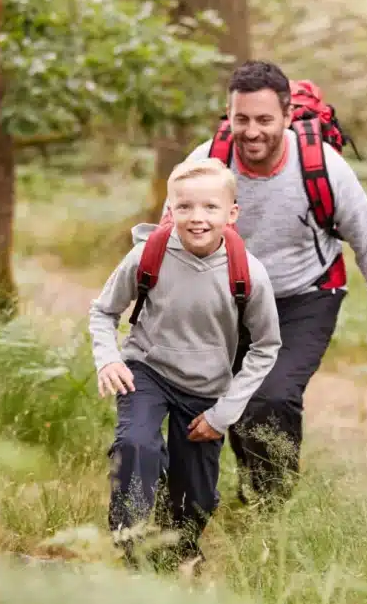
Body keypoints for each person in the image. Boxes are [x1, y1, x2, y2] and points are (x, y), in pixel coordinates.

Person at [178, 60, 367, 504]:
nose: (252, 131)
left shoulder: (326, 170)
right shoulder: (207, 164)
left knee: (273, 395)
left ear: (286, 117)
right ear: (229, 116)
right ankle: (252, 491)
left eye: (265, 119)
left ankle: (271, 509)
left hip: (306, 295)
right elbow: (167, 238)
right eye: (241, 119)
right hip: (232, 299)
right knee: (230, 395)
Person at [88, 157, 281, 569]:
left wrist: (224, 413)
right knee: (135, 445)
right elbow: (103, 312)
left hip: (208, 390)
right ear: (169, 209)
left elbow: (266, 346)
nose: (197, 218)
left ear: (232, 213)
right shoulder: (147, 256)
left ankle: (179, 551)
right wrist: (107, 359)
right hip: (148, 370)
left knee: (195, 497)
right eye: (185, 207)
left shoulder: (250, 274)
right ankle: (131, 547)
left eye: (210, 208)